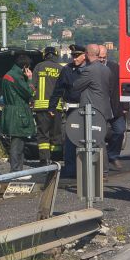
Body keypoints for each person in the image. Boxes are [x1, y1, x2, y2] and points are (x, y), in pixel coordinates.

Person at [71, 44, 114, 173]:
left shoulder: (89, 70)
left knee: (96, 141)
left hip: (93, 111)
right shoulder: (106, 69)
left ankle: (101, 171)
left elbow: (76, 85)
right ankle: (100, 170)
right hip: (104, 109)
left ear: (87, 54)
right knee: (99, 140)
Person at [49, 44, 87, 177]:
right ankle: (71, 169)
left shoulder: (90, 69)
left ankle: (86, 168)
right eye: (73, 56)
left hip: (89, 109)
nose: (74, 59)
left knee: (87, 140)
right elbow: (58, 89)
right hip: (72, 109)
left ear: (84, 55)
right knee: (70, 140)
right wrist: (52, 106)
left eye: (77, 56)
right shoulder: (67, 70)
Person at [0, 53, 36, 174]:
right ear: (25, 66)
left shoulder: (8, 75)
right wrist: (29, 79)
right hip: (19, 113)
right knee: (18, 144)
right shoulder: (17, 77)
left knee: (17, 142)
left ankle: (18, 171)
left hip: (10, 111)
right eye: (28, 67)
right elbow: (29, 92)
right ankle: (16, 171)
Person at [31, 46, 63, 165]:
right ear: (56, 55)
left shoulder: (39, 67)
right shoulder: (60, 69)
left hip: (41, 107)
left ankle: (44, 161)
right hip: (56, 107)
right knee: (56, 134)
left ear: (44, 55)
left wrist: (31, 100)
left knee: (43, 135)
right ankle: (56, 160)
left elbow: (32, 87)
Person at [95, 45, 125, 169]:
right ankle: (101, 162)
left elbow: (122, 85)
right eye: (99, 57)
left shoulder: (115, 67)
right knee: (99, 135)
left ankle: (113, 155)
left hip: (114, 107)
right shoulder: (91, 68)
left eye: (104, 57)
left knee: (120, 130)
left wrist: (125, 105)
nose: (102, 60)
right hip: (99, 108)